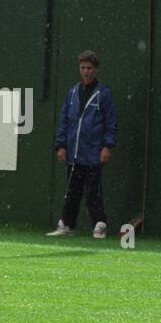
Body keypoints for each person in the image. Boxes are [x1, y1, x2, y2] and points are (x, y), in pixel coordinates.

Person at [48, 50, 118, 239]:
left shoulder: (103, 94)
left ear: (95, 70)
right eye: (83, 68)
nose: (86, 71)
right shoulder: (72, 93)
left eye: (89, 68)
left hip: (94, 152)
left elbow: (111, 123)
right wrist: (61, 145)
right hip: (74, 152)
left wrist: (107, 146)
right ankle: (67, 224)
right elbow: (64, 120)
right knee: (72, 191)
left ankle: (100, 225)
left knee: (93, 192)